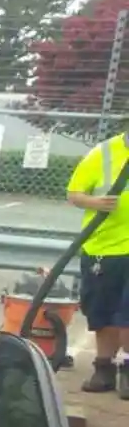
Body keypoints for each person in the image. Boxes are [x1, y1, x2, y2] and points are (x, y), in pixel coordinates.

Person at [68, 128, 129, 392]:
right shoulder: (104, 153)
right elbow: (74, 194)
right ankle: (103, 368)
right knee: (102, 312)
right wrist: (95, 202)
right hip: (103, 248)